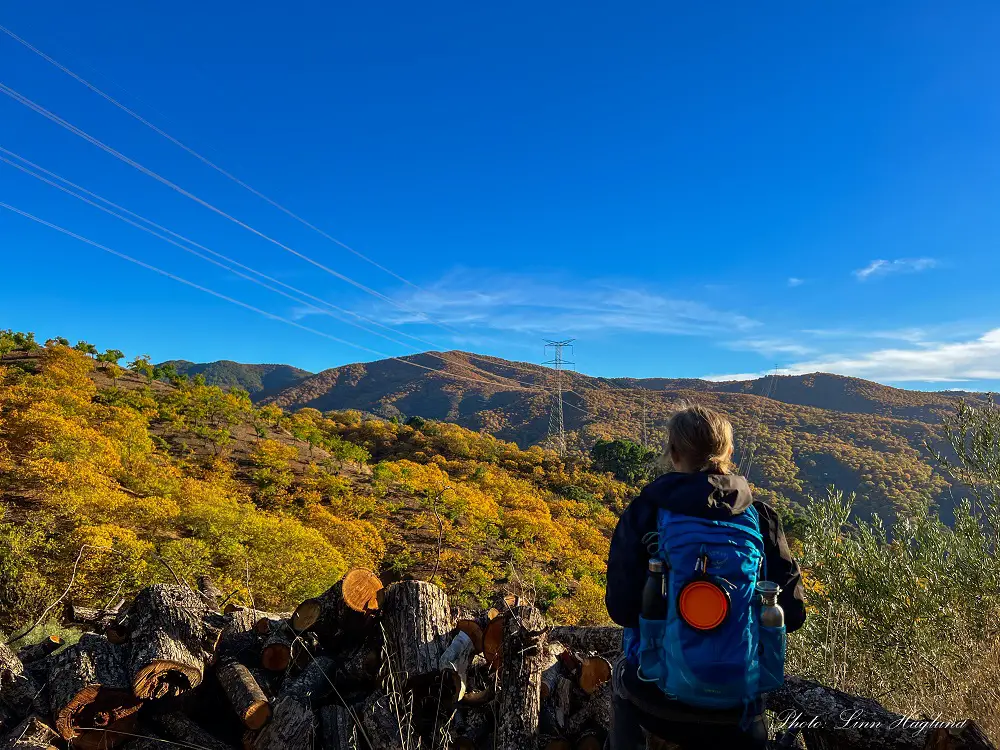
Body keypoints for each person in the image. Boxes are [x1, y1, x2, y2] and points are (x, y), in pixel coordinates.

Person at [605, 404, 807, 750]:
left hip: (655, 699)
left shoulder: (645, 513)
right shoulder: (760, 518)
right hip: (739, 705)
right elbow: (794, 614)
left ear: (672, 453)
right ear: (729, 452)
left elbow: (621, 610)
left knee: (622, 683)